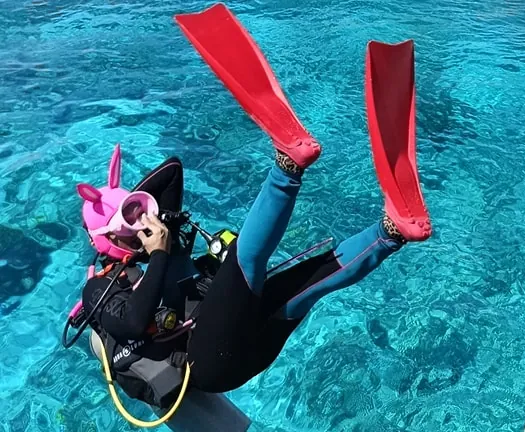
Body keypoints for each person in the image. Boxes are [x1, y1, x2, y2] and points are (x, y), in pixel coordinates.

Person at [74, 3, 432, 404]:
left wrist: (130, 201)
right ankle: (287, 167)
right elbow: (137, 320)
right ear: (107, 241)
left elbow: (171, 172)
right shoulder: (99, 290)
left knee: (306, 284)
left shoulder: (165, 243)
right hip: (206, 363)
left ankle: (391, 232)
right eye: (129, 220)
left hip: (246, 348)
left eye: (138, 210)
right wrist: (154, 252)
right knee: (244, 261)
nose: (140, 220)